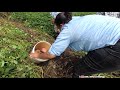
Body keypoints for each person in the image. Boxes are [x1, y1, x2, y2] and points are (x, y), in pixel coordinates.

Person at [30, 12, 120, 78]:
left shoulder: (68, 30)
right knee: (91, 59)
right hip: (115, 34)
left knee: (79, 69)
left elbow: (51, 54)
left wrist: (35, 55)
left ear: (61, 24)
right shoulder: (77, 19)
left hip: (116, 47)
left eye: (57, 26)